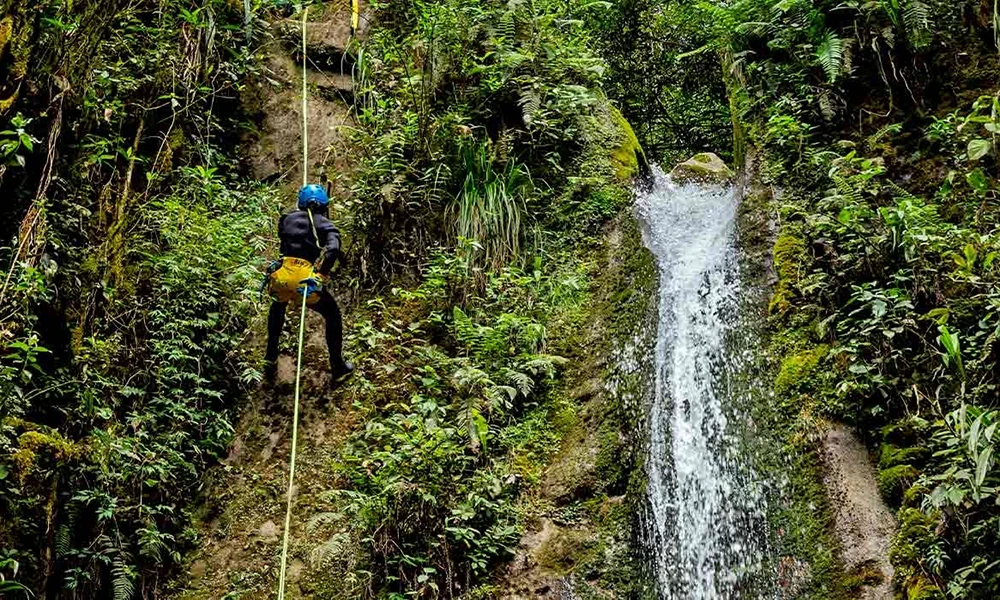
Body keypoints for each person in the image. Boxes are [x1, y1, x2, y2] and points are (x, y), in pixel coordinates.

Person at [264, 184, 354, 387]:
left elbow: (283, 235)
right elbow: (333, 250)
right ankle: (338, 367)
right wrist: (321, 274)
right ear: (324, 206)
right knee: (332, 314)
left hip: (281, 274)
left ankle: (270, 356)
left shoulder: (287, 219)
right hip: (304, 278)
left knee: (278, 305)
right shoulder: (326, 225)